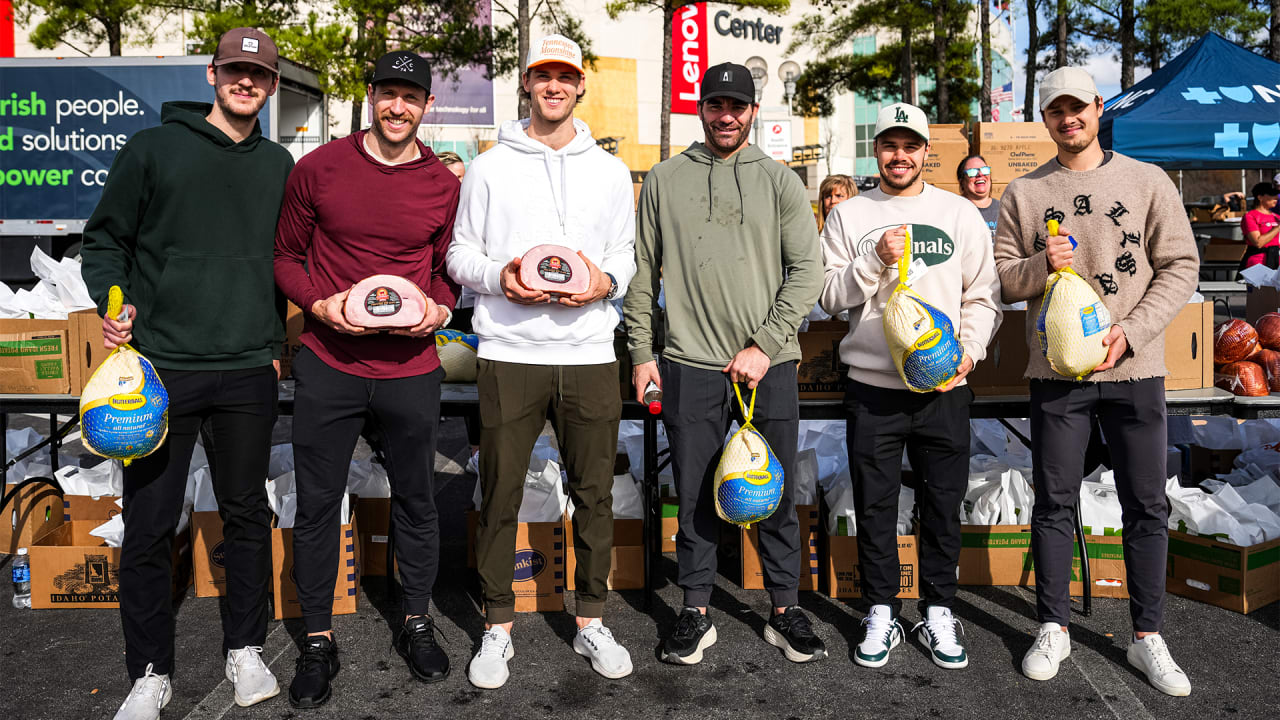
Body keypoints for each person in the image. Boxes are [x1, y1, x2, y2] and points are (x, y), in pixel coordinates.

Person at [80, 28, 293, 720]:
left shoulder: (280, 164)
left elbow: (294, 256)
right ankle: (150, 673)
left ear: (270, 85)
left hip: (246, 371)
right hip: (159, 372)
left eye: (257, 75)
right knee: (148, 524)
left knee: (245, 516)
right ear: (212, 74)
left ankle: (245, 650)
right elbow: (105, 240)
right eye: (235, 70)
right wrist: (114, 304)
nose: (245, 82)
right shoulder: (152, 150)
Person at [992, 66, 1199, 697]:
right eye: (1055, 110)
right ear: (1046, 118)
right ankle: (1052, 624)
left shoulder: (1146, 180)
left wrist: (1131, 332)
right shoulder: (1024, 193)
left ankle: (1148, 636)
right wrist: (1036, 265)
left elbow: (1181, 265)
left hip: (1134, 368)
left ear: (1097, 107)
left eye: (1077, 107)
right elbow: (1003, 279)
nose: (1067, 119)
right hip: (1057, 374)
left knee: (1147, 503)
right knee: (1054, 502)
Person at [447, 34, 636, 689]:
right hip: (509, 352)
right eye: (542, 76)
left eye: (565, 76)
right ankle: (497, 626)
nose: (554, 86)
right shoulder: (489, 167)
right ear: (526, 84)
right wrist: (502, 277)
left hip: (588, 354)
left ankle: (590, 620)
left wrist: (602, 284)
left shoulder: (610, 173)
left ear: (580, 85)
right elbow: (458, 255)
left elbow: (626, 259)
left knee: (594, 496)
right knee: (499, 493)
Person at [274, 50, 460, 708]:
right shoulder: (318, 168)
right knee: (320, 505)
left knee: (417, 500)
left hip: (411, 368)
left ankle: (415, 621)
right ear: (370, 95)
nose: (398, 106)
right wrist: (317, 305)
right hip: (329, 362)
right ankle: (318, 640)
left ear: (426, 105)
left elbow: (445, 268)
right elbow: (286, 256)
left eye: (411, 96)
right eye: (387, 92)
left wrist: (440, 306)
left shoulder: (442, 183)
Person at [625, 62, 826, 666]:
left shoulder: (780, 181)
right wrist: (641, 351)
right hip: (689, 362)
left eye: (737, 106)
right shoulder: (663, 179)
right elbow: (641, 273)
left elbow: (808, 272)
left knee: (775, 494)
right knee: (693, 497)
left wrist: (764, 344)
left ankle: (785, 608)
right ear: (701, 109)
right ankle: (696, 609)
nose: (727, 116)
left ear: (753, 112)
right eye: (716, 105)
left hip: (771, 366)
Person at [819, 103, 1001, 671]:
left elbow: (983, 296)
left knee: (943, 504)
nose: (900, 155)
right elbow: (827, 297)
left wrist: (969, 354)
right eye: (889, 145)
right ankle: (881, 608)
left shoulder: (959, 214)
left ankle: (939, 608)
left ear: (927, 152)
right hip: (873, 387)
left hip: (944, 387)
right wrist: (873, 262)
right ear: (877, 150)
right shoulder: (849, 215)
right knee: (876, 506)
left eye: (911, 145)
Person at [956, 155, 1000, 238]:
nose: (980, 174)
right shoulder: (956, 212)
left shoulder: (1004, 210)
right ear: (962, 181)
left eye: (985, 170)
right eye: (972, 172)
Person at [1241, 181, 1279, 270]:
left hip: (1276, 261)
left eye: (1276, 194)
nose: (1276, 198)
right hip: (1258, 262)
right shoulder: (1250, 216)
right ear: (1260, 197)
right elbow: (1258, 243)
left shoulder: (1277, 217)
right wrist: (1278, 227)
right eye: (1271, 195)